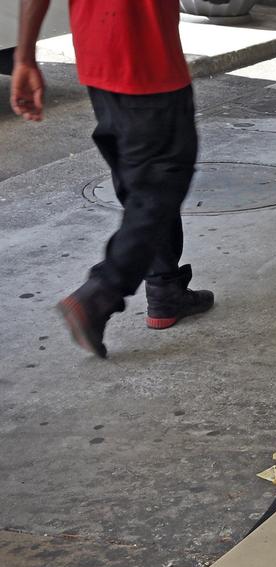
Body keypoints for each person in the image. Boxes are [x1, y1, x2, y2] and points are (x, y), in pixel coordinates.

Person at [11, 0, 216, 358]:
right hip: (147, 57)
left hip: (98, 54)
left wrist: (24, 56)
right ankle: (100, 293)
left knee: (142, 181)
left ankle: (165, 286)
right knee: (161, 184)